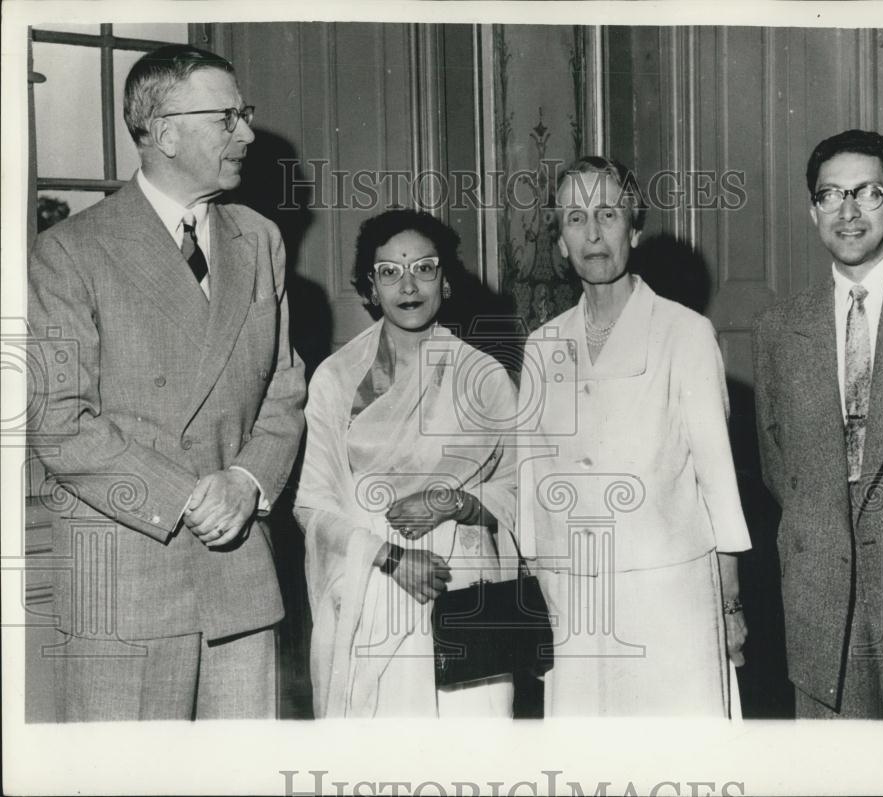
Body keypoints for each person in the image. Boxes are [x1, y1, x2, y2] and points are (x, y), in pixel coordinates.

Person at [26, 45, 306, 721]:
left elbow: (285, 384)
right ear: (165, 129)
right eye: (228, 117)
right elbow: (58, 418)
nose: (246, 133)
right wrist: (186, 497)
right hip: (126, 580)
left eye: (247, 114)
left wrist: (247, 482)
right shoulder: (70, 252)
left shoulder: (259, 238)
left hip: (240, 577)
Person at [517, 156, 751, 716]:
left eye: (608, 214)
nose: (593, 233)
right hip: (575, 597)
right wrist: (541, 583)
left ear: (635, 228)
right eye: (575, 218)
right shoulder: (542, 345)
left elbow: (717, 478)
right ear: (559, 241)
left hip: (671, 594)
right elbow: (530, 481)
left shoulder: (685, 333)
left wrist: (729, 604)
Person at [753, 129, 883, 724]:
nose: (847, 212)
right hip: (821, 607)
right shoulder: (777, 328)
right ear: (812, 208)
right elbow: (780, 469)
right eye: (829, 195)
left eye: (867, 193)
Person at [293, 209, 518, 717]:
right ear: (370, 288)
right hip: (369, 587)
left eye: (424, 267)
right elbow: (312, 505)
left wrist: (454, 502)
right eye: (389, 271)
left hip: (460, 594)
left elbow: (522, 496)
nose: (408, 284)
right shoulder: (334, 379)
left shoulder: (484, 378)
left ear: (446, 281)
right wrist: (389, 558)